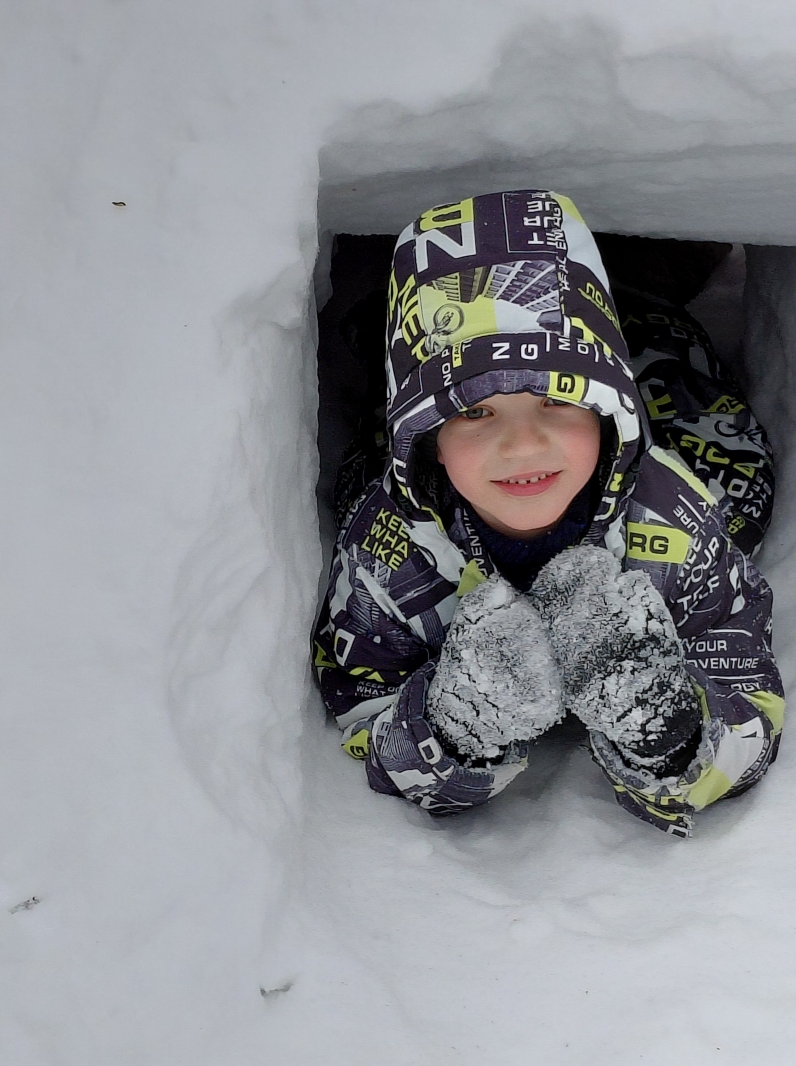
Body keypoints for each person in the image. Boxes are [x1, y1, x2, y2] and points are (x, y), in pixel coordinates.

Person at [313, 190, 783, 837]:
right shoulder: (387, 555)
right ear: (427, 439)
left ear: (606, 412)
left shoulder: (674, 522)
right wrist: (454, 727)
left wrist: (670, 729)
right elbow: (363, 703)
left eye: (558, 398)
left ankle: (649, 288)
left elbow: (746, 679)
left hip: (666, 390)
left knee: (736, 473)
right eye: (474, 411)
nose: (523, 444)